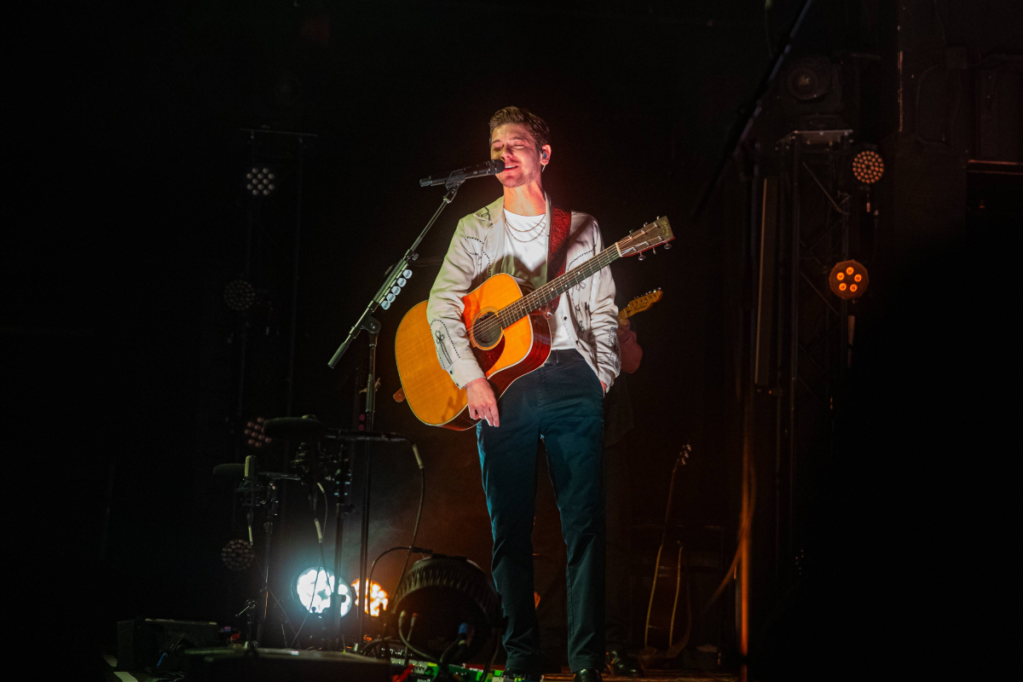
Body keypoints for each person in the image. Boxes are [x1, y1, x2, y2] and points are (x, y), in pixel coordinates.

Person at [427, 106, 621, 682]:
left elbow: (605, 308)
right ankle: (521, 660)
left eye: (516, 143)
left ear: (544, 154)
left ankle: (587, 662)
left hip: (570, 379)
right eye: (495, 146)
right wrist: (470, 376)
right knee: (509, 527)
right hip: (501, 387)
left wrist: (601, 372)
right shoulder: (474, 228)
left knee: (584, 525)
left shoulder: (581, 227)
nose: (503, 153)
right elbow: (442, 305)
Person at [603, 317, 644, 677]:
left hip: (608, 431)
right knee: (557, 539)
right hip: (556, 429)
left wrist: (623, 334)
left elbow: (632, 362)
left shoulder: (608, 289)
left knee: (614, 541)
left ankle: (614, 644)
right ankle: (554, 636)